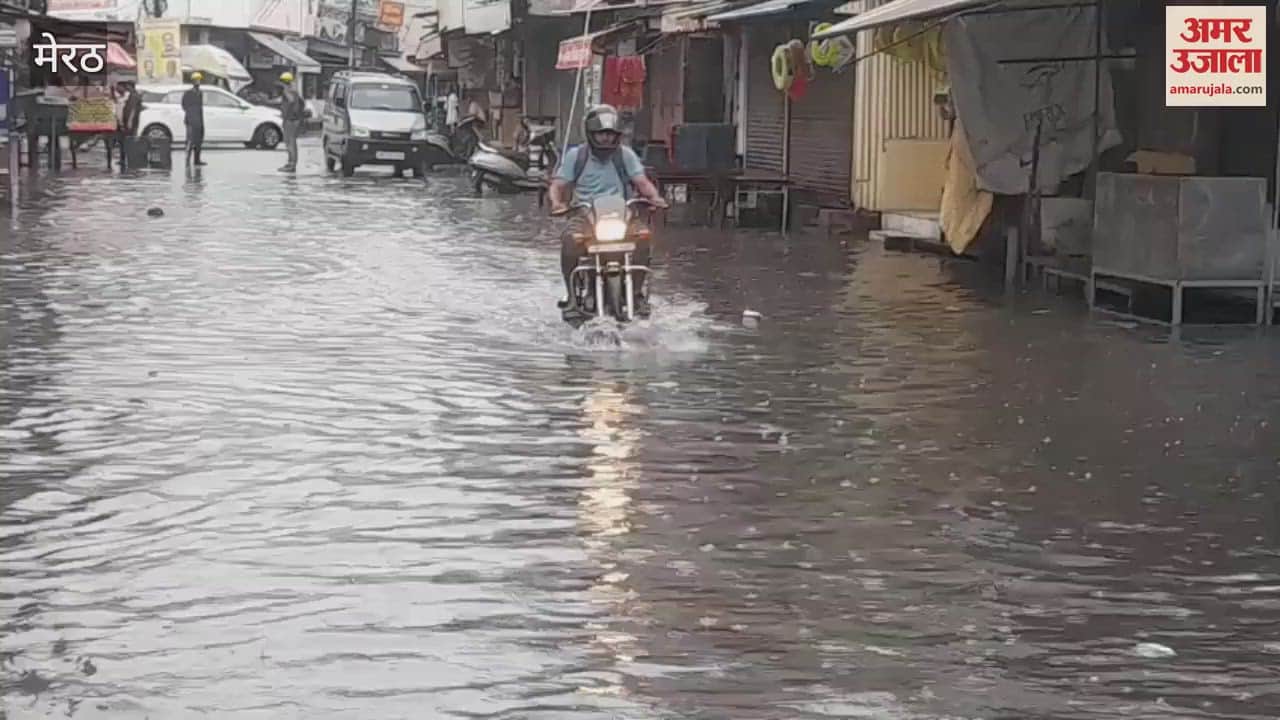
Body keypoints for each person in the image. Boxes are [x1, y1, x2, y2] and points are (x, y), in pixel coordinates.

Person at [548, 104, 668, 318]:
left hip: (622, 215)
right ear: (591, 134)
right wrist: (557, 203)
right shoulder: (577, 156)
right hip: (584, 215)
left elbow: (641, 181)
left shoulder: (626, 155)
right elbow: (557, 185)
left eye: (610, 135)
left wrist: (655, 198)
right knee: (569, 240)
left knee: (643, 237)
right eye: (601, 134)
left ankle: (637, 293)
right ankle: (572, 297)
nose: (606, 139)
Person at [278, 71, 305, 173]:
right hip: (291, 120)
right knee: (289, 142)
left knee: (290, 143)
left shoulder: (289, 91)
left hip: (291, 120)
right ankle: (290, 163)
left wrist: (285, 90)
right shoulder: (293, 91)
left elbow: (291, 101)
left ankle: (291, 165)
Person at [113, 81, 143, 171]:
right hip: (125, 123)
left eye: (127, 86)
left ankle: (131, 160)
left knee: (129, 141)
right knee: (123, 142)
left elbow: (133, 110)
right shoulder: (129, 96)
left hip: (130, 123)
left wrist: (129, 121)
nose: (126, 88)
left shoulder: (133, 96)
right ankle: (124, 159)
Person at [181, 72, 206, 166]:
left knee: (198, 141)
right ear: (193, 81)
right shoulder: (188, 93)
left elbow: (200, 108)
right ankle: (187, 160)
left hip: (199, 120)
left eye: (199, 80)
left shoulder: (200, 93)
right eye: (196, 80)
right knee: (190, 141)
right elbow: (184, 105)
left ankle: (197, 160)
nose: (198, 82)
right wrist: (191, 117)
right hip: (191, 121)